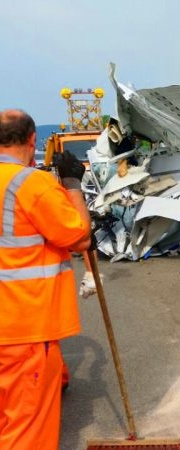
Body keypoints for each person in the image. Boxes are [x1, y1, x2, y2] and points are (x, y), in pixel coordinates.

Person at [0, 109, 91, 449]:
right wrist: (72, 185)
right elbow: (79, 237)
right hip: (21, 328)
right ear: (32, 140)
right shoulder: (31, 184)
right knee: (25, 431)